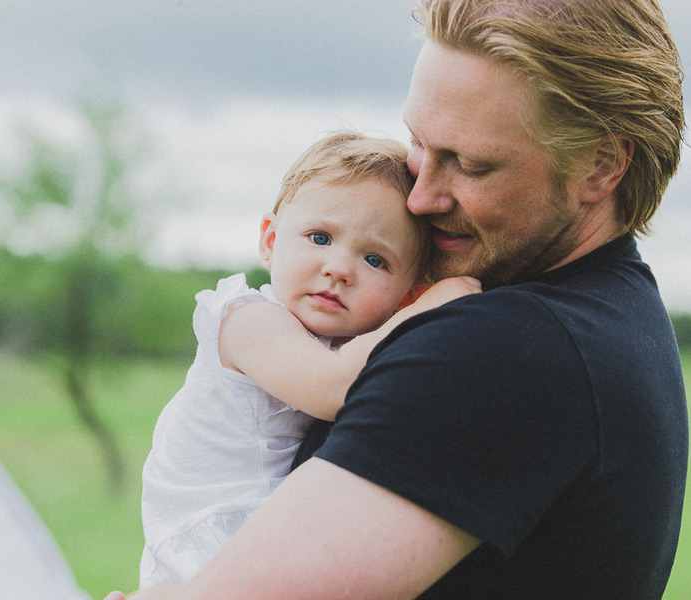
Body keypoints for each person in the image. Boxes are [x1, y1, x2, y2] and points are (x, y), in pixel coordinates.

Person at [106, 0, 688, 598]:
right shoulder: (622, 317)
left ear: (601, 165)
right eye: (419, 143)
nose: (420, 197)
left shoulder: (513, 347)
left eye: (470, 164)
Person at [138, 132, 480, 588]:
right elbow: (333, 389)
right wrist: (436, 304)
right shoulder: (248, 320)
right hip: (206, 545)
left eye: (375, 260)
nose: (339, 268)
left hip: (271, 540)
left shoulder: (349, 342)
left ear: (407, 290)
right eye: (320, 237)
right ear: (270, 240)